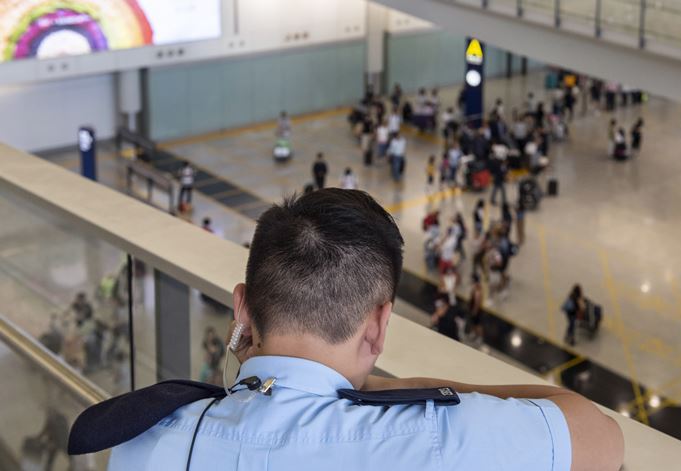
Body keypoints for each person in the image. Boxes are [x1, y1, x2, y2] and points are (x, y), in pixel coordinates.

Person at [73, 189, 626, 470]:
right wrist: (394, 389)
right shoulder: (442, 438)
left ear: (242, 308)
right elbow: (600, 436)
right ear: (379, 326)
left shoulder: (145, 440)